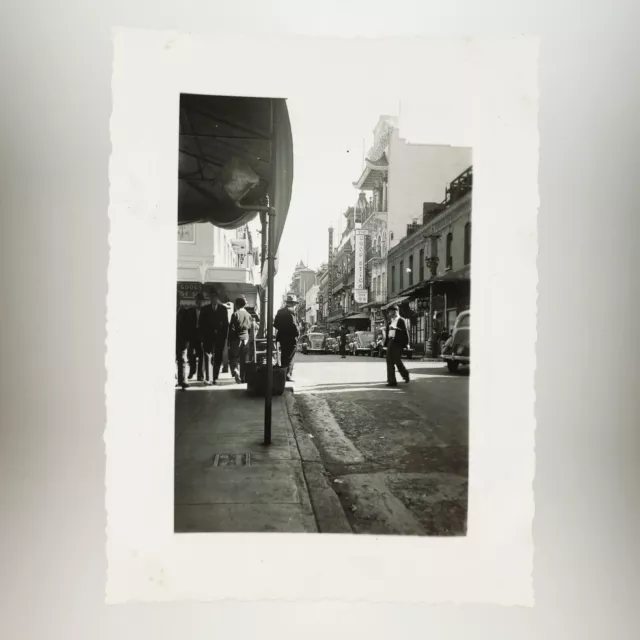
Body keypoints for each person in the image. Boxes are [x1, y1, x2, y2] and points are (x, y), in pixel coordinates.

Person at [204, 288, 230, 384]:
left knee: (218, 358)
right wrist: (203, 337)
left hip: (219, 338)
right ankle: (209, 377)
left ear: (217, 299)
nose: (214, 299)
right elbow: (202, 324)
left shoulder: (223, 309)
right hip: (208, 338)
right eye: (212, 297)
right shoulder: (205, 309)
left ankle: (214, 377)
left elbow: (226, 324)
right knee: (208, 357)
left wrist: (224, 337)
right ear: (210, 298)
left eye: (215, 297)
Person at [274, 293, 299, 382]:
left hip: (282, 338)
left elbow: (275, 324)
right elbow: (294, 325)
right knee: (290, 357)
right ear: (293, 304)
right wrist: (297, 334)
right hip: (291, 338)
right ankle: (287, 375)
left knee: (284, 356)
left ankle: (283, 375)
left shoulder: (280, 311)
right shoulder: (292, 312)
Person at [228, 297, 253, 384]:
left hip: (236, 339)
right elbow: (250, 328)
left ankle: (236, 372)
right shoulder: (248, 315)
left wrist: (230, 341)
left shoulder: (235, 314)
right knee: (243, 359)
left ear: (237, 304)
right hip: (245, 338)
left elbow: (232, 329)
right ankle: (243, 377)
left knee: (234, 357)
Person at [385, 304, 410, 386]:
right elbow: (388, 333)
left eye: (390, 311)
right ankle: (391, 381)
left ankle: (405, 375)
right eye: (389, 311)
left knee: (397, 360)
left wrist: (407, 343)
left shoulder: (401, 320)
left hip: (397, 342)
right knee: (389, 361)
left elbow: (405, 332)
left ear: (395, 311)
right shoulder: (390, 322)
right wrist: (386, 343)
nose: (389, 313)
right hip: (390, 341)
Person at [186, 292, 206, 382]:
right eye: (197, 300)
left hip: (202, 336)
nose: (198, 302)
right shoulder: (190, 311)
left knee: (201, 356)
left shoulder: (206, 311)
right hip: (192, 336)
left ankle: (200, 375)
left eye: (200, 301)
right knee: (191, 354)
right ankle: (192, 370)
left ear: (203, 301)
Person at [175, 293, 190, 390]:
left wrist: (187, 340)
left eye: (177, 299)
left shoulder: (184, 311)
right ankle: (176, 379)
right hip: (172, 339)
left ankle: (183, 380)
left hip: (182, 339)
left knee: (182, 359)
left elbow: (187, 327)